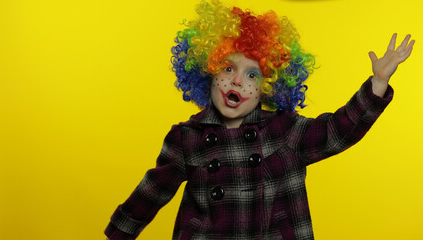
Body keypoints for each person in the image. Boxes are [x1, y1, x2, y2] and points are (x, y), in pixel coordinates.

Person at [104, 1, 414, 239]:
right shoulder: (187, 138)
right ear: (207, 71)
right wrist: (119, 233)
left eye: (252, 74)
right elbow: (151, 192)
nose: (237, 82)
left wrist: (378, 84)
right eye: (227, 69)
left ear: (267, 85)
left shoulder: (286, 131)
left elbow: (338, 130)